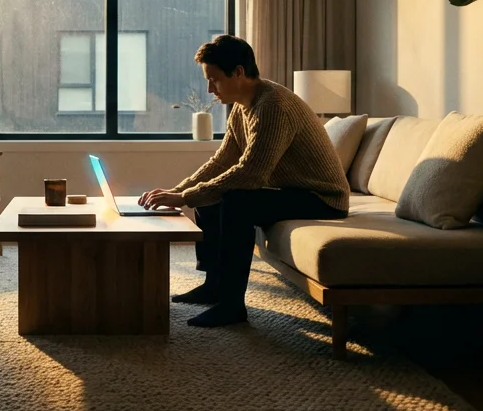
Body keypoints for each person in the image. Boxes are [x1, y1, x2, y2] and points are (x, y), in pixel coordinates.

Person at [140, 35, 350, 327]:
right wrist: (179, 191)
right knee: (211, 195)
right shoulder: (241, 106)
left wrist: (186, 197)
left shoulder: (274, 105)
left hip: (322, 198)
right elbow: (222, 161)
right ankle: (213, 285)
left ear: (238, 72)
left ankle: (231, 305)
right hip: (292, 191)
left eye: (214, 80)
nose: (209, 89)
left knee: (235, 200)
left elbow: (252, 172)